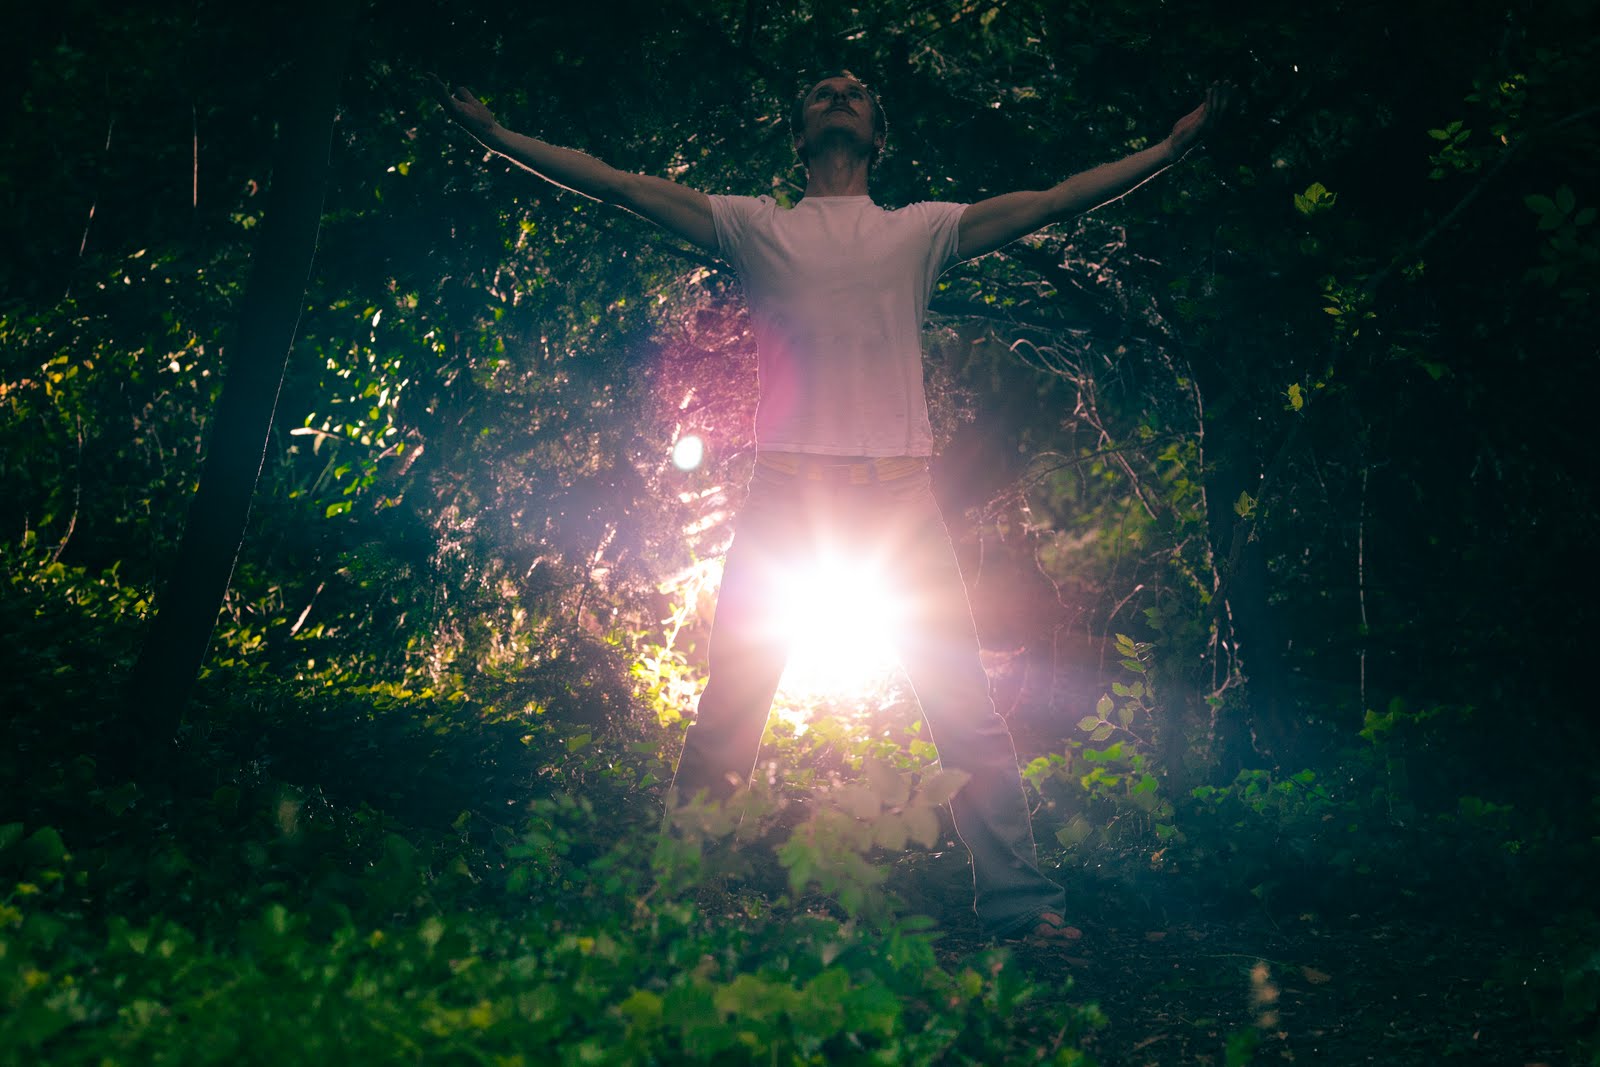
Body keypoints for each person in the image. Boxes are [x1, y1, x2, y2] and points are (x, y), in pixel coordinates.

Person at [434, 70, 1228, 944]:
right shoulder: (753, 225)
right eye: (822, 90)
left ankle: (1021, 904)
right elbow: (619, 184)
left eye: (855, 91)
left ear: (878, 136)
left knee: (964, 709)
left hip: (900, 498)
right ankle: (671, 906)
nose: (841, 92)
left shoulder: (919, 230)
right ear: (800, 134)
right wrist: (498, 137)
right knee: (730, 711)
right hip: (787, 499)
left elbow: (1052, 200)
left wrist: (1168, 149)